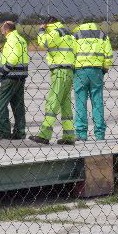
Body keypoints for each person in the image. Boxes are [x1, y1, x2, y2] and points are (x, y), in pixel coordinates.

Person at [29, 16, 76, 145]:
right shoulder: (67, 33)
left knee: (53, 101)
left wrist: (41, 31)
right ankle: (69, 135)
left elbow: (44, 43)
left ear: (48, 24)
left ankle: (45, 135)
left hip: (60, 70)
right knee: (65, 104)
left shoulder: (55, 32)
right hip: (69, 70)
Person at [72, 22, 114, 141]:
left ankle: (81, 133)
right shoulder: (102, 36)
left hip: (80, 71)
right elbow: (108, 55)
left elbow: (71, 54)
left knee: (80, 101)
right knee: (97, 101)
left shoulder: (76, 36)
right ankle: (100, 133)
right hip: (97, 70)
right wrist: (105, 68)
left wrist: (72, 68)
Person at [0, 21, 29, 141]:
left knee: (1, 104)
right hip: (21, 75)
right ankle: (20, 131)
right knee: (18, 105)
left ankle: (4, 131)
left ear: (6, 29)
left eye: (1, 28)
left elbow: (13, 58)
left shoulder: (12, 40)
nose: (0, 30)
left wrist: (3, 71)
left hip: (11, 76)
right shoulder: (21, 39)